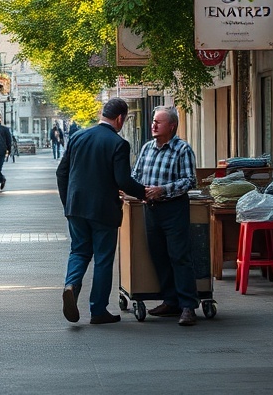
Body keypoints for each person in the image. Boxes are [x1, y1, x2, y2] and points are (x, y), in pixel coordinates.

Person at [56, 97, 146, 325]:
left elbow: (61, 173)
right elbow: (123, 180)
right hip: (103, 211)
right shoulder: (118, 143)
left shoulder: (77, 137)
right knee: (103, 259)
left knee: (79, 251)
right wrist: (146, 193)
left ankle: (71, 286)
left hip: (75, 208)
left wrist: (68, 203)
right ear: (120, 118)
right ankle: (98, 310)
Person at [131, 105, 198, 326]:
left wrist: (163, 190)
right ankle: (171, 301)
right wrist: (136, 190)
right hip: (151, 209)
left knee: (179, 256)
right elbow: (136, 174)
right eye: (153, 121)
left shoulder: (182, 149)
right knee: (158, 255)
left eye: (158, 122)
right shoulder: (147, 148)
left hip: (173, 208)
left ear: (172, 126)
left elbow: (189, 181)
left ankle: (188, 306)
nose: (153, 125)